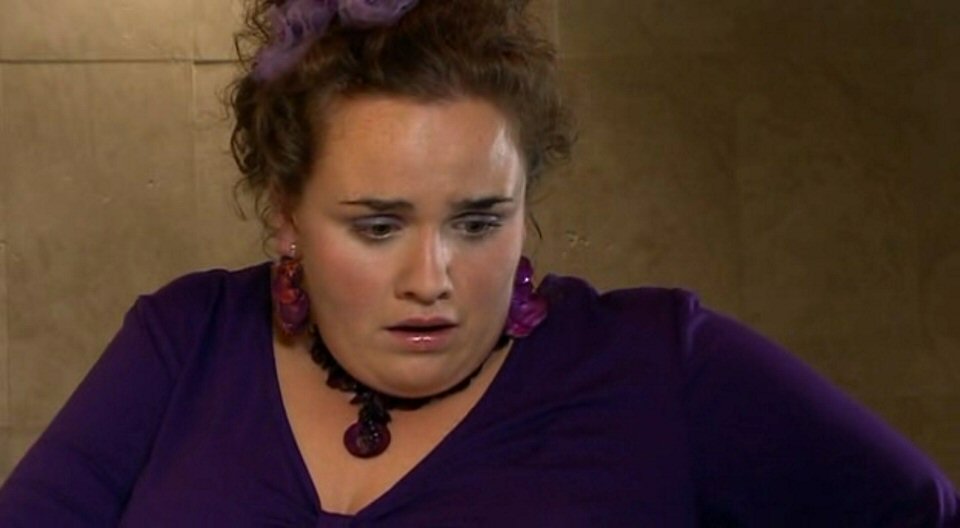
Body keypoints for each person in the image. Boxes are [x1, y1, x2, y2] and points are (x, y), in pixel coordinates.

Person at [0, 0, 957, 525]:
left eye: (479, 220)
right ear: (286, 214)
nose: (433, 277)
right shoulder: (183, 340)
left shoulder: (660, 363)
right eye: (378, 226)